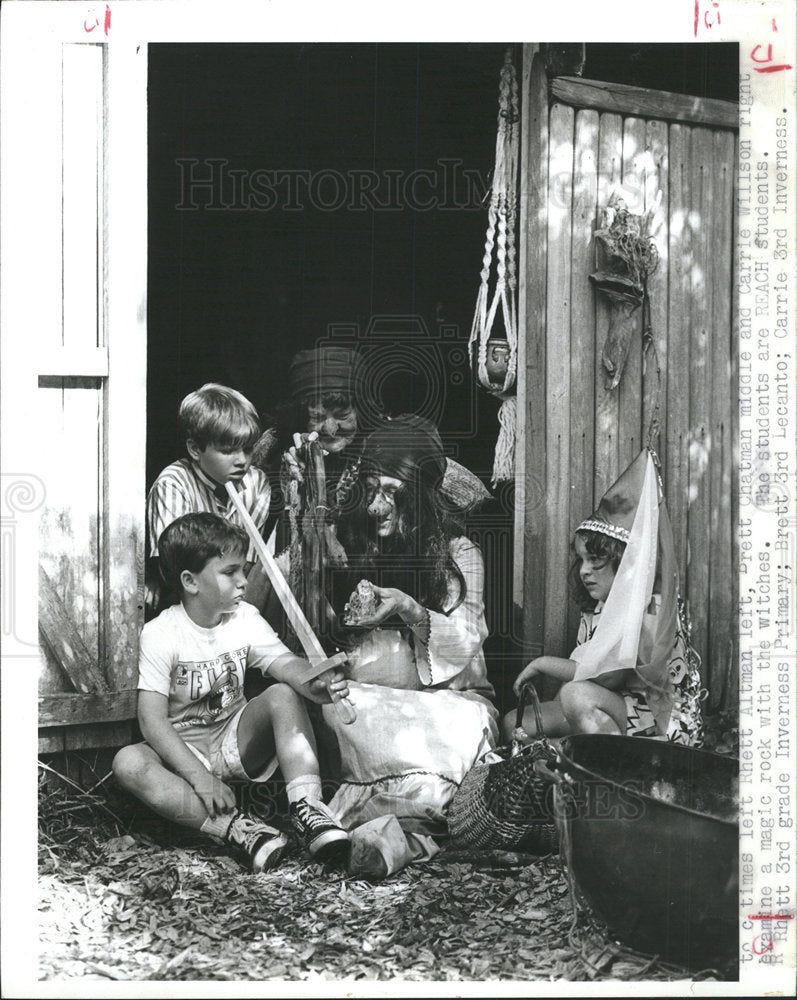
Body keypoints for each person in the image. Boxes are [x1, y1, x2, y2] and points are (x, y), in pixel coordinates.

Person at [113, 513, 351, 873]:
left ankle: (309, 811)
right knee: (128, 763)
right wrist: (199, 776)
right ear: (191, 582)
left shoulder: (245, 617)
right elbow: (151, 721)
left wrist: (315, 683)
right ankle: (240, 830)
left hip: (235, 739)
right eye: (230, 572)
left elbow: (286, 665)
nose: (244, 580)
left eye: (244, 569)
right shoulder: (161, 634)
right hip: (184, 750)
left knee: (284, 694)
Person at [322, 414, 499, 880]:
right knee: (337, 712)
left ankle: (396, 829)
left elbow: (462, 646)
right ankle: (395, 831)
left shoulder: (460, 557)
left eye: (393, 495)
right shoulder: (347, 546)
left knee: (462, 726)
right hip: (368, 703)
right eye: (371, 492)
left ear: (420, 499)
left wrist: (408, 608)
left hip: (446, 703)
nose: (377, 507)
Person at [505, 449, 703, 746]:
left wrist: (542, 663)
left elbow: (606, 677)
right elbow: (585, 680)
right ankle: (566, 756)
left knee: (575, 695)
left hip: (659, 722)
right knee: (515, 721)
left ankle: (609, 769)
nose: (585, 571)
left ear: (625, 564)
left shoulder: (651, 608)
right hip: (614, 709)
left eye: (596, 561)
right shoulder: (596, 610)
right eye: (581, 561)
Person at [145, 384, 272, 615]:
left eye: (248, 449)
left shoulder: (257, 483)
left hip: (234, 597)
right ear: (195, 449)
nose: (242, 460)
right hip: (183, 602)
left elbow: (247, 563)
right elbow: (176, 571)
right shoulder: (174, 483)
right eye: (228, 451)